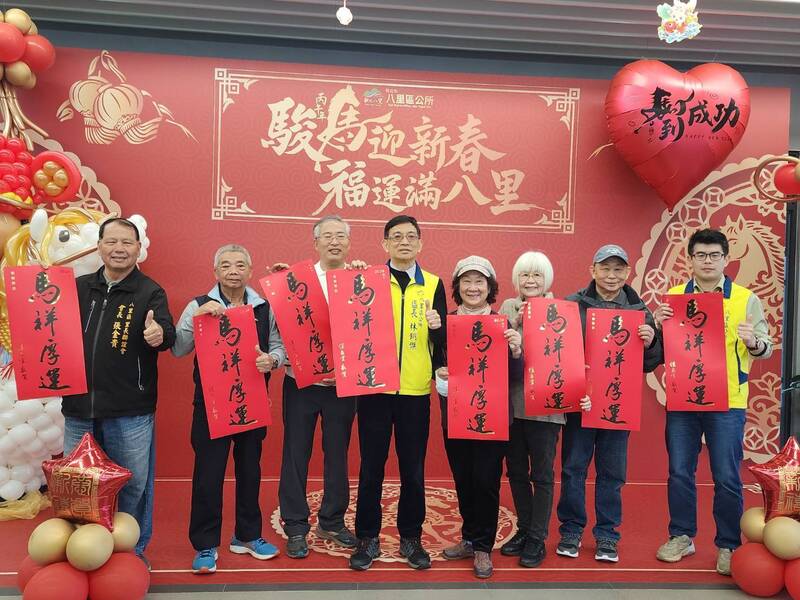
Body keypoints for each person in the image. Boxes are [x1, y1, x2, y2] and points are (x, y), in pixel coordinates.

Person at [654, 228, 772, 576]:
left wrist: (752, 342)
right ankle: (681, 536)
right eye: (701, 255)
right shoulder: (675, 298)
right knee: (679, 471)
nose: (708, 261)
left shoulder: (745, 299)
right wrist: (658, 326)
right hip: (684, 399)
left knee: (726, 475)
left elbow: (765, 346)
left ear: (725, 259)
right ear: (690, 259)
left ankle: (728, 544)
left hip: (728, 401)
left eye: (714, 255)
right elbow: (661, 349)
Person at [61, 217, 176, 569]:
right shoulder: (78, 288)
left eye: (127, 242)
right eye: (111, 241)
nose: (119, 249)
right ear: (99, 246)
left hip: (130, 409)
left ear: (138, 248)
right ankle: (81, 554)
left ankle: (131, 553)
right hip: (79, 406)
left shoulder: (150, 292)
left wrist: (159, 335)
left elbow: (168, 334)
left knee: (132, 484)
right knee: (78, 485)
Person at [172, 244, 287, 574]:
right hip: (211, 406)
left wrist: (272, 360)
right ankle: (205, 544)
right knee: (208, 475)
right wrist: (196, 319)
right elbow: (178, 348)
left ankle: (247, 536)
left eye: (239, 265)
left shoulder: (264, 306)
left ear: (250, 270)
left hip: (251, 400)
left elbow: (278, 346)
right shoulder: (198, 305)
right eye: (225, 265)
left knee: (250, 471)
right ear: (215, 272)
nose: (233, 271)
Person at [350, 214, 447, 571]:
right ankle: (367, 538)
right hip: (374, 388)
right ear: (385, 243)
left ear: (420, 243)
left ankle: (411, 538)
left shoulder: (433, 284)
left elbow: (443, 340)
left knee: (413, 470)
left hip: (415, 392)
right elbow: (346, 318)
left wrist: (438, 328)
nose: (404, 242)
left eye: (410, 236)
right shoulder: (368, 280)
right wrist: (350, 276)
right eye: (396, 236)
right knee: (371, 468)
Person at [556, 244, 663, 563]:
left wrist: (651, 341)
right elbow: (558, 351)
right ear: (593, 270)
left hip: (619, 403)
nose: (611, 275)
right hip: (581, 402)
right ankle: (571, 530)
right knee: (573, 468)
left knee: (612, 473)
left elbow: (651, 363)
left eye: (618, 269)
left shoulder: (639, 309)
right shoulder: (573, 304)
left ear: (627, 272)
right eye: (605, 268)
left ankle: (607, 534)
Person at [278, 216, 360, 558]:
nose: (334, 241)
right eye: (328, 236)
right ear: (316, 243)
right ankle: (296, 526)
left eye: (340, 236)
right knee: (295, 454)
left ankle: (332, 520)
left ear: (349, 243)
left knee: (338, 454)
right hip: (302, 382)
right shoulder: (297, 281)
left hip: (342, 384)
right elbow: (280, 327)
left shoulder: (359, 280)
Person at [436, 256, 521, 578]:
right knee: (463, 480)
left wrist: (516, 350)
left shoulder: (502, 324)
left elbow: (516, 375)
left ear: (490, 287)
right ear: (457, 287)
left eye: (479, 282)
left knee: (486, 481)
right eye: (467, 282)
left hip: (492, 417)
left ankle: (484, 546)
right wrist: (441, 375)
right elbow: (435, 365)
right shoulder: (445, 323)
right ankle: (469, 538)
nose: (473, 288)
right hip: (456, 415)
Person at [497, 251, 580, 569]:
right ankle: (524, 528)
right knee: (516, 471)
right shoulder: (507, 307)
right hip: (511, 403)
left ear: (547, 279)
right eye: (524, 275)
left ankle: (537, 537)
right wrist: (516, 324)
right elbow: (494, 354)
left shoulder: (561, 310)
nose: (530, 281)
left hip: (546, 408)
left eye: (536, 275)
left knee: (542, 474)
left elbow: (570, 358)